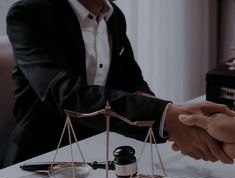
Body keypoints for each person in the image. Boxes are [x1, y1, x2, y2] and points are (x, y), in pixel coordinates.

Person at [4, 0, 234, 166]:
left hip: (101, 150)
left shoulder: (115, 16)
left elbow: (133, 82)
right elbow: (67, 94)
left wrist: (180, 118)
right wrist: (167, 118)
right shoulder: (29, 13)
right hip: (41, 158)